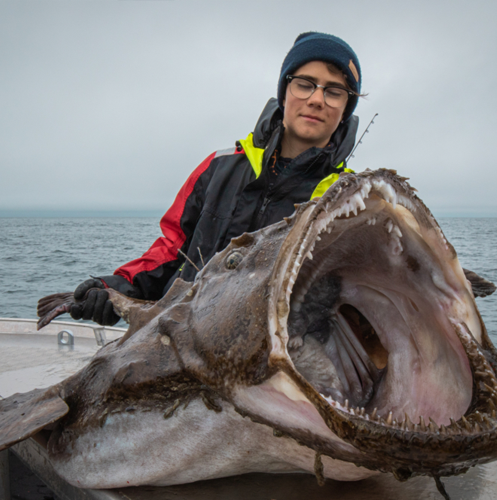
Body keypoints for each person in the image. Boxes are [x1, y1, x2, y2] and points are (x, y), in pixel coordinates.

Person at [71, 32, 364, 326]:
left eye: (334, 91)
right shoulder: (218, 166)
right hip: (178, 333)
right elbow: (172, 247)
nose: (316, 99)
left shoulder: (350, 200)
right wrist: (118, 288)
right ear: (284, 90)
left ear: (346, 108)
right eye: (304, 84)